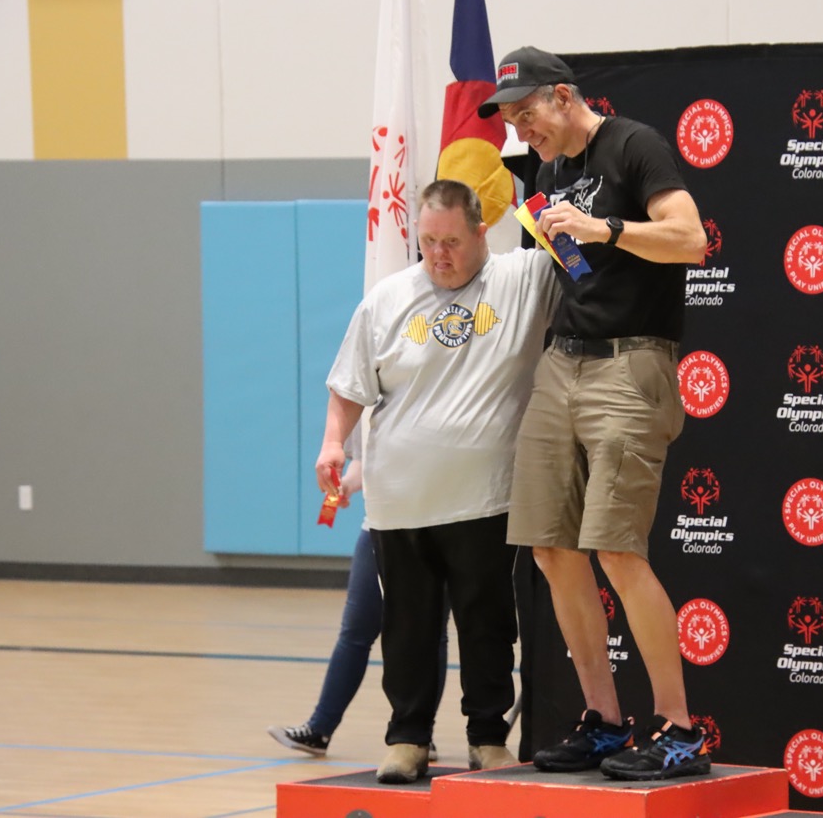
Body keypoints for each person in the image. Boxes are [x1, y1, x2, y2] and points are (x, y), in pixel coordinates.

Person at [478, 46, 710, 781]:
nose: (521, 131)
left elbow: (692, 241)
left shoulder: (634, 145)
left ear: (564, 95)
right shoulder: (549, 174)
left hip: (631, 361)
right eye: (510, 122)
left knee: (617, 550)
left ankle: (680, 729)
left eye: (527, 114)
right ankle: (606, 721)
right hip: (563, 361)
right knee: (550, 547)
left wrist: (606, 228)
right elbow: (572, 270)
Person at [315, 179, 560, 783]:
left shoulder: (522, 279)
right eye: (427, 242)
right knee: (407, 627)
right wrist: (333, 442)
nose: (438, 255)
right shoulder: (387, 299)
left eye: (451, 241)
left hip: (484, 499)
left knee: (487, 624)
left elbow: (579, 257)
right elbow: (349, 384)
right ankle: (408, 737)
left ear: (482, 232)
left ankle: (487, 737)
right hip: (400, 503)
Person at [266, 461, 450, 759]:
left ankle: (419, 733)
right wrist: (348, 484)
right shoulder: (355, 426)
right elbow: (365, 458)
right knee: (355, 631)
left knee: (431, 634)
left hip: (440, 526)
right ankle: (319, 729)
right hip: (380, 526)